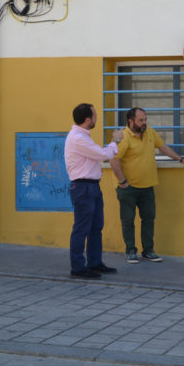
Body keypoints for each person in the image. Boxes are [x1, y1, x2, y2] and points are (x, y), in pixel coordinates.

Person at [109, 107, 184, 264]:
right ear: (131, 121)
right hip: (128, 188)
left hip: (147, 186)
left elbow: (163, 147)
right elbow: (114, 160)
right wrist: (122, 182)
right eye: (141, 120)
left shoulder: (149, 133)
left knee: (148, 219)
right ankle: (131, 251)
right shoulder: (123, 137)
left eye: (145, 119)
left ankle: (148, 250)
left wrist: (181, 159)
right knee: (128, 220)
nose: (144, 123)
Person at [64, 103, 125, 279]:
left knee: (95, 227)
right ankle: (78, 267)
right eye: (95, 115)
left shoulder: (83, 136)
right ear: (88, 119)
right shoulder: (78, 138)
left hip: (91, 187)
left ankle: (95, 263)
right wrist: (116, 141)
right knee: (82, 228)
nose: (98, 118)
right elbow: (104, 154)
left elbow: (99, 154)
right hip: (83, 187)